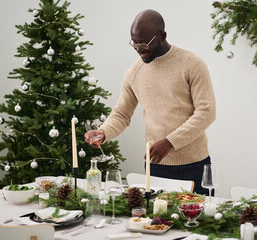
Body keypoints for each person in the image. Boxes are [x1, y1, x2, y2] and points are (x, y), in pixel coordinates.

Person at [85, 9, 216, 195]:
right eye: (135, 43)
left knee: (199, 222)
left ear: (162, 35)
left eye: (144, 43)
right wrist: (103, 132)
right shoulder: (134, 73)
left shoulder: (191, 64)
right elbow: (122, 113)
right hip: (155, 167)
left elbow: (206, 112)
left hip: (194, 165)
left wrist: (170, 142)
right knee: (156, 222)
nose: (139, 49)